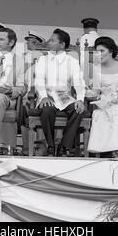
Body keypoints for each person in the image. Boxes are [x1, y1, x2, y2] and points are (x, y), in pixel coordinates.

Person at [34, 28, 86, 157]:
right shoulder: (42, 60)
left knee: (78, 110)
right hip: (47, 95)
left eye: (52, 40)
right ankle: (51, 146)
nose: (49, 42)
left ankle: (64, 146)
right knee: (47, 109)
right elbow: (39, 80)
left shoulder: (72, 62)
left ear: (62, 45)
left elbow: (78, 82)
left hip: (65, 97)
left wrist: (80, 99)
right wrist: (44, 97)